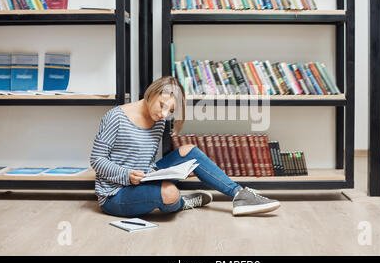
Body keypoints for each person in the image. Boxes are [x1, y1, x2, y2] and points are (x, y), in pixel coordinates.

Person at [90, 76, 280, 217]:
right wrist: (126, 174)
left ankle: (239, 194)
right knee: (171, 193)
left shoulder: (159, 121)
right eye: (162, 105)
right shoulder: (115, 117)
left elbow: (146, 160)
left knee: (188, 150)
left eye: (170, 110)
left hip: (143, 179)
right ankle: (180, 202)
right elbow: (96, 160)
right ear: (152, 93)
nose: (164, 114)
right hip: (114, 194)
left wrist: (152, 174)